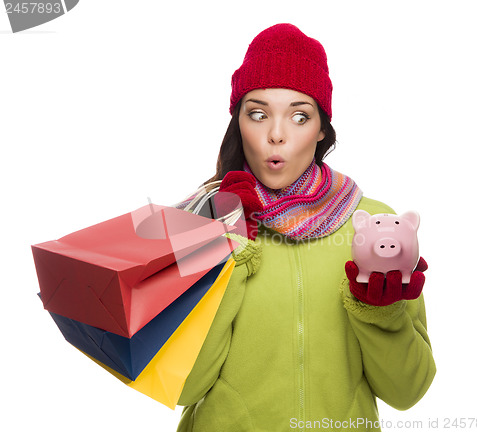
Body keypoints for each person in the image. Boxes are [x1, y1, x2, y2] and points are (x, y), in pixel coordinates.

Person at [175, 23, 436, 432]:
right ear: (238, 124)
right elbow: (183, 388)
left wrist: (381, 313)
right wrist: (226, 244)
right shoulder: (204, 220)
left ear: (321, 130)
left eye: (299, 116)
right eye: (258, 114)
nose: (276, 135)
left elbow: (408, 392)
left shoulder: (375, 227)